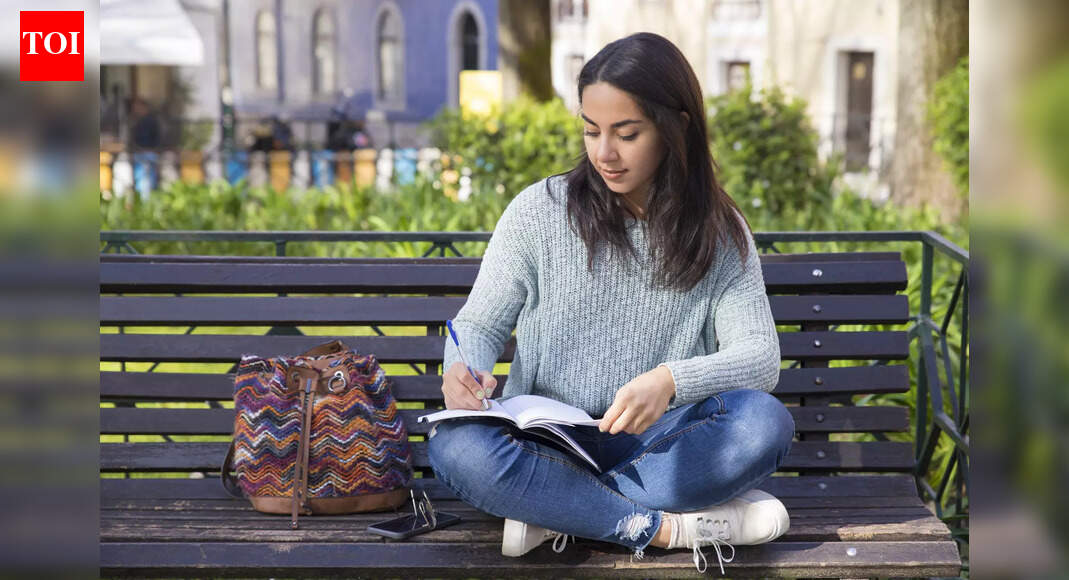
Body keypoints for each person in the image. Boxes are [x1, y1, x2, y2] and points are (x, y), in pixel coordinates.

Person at [426, 32, 794, 575]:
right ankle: (660, 529)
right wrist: (465, 369)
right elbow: (479, 322)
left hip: (662, 446)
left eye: (627, 133)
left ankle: (555, 509)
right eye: (591, 130)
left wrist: (669, 380)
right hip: (546, 444)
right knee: (455, 447)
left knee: (764, 423)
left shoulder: (717, 231)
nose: (604, 153)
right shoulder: (540, 212)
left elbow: (761, 358)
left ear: (676, 128)